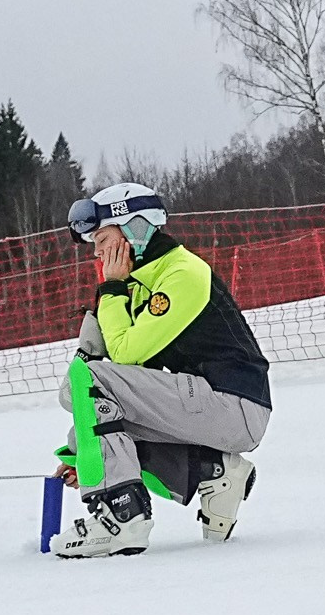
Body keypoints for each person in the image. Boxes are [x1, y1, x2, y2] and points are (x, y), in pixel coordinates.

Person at [50, 182, 269, 558]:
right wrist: (85, 456)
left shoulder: (181, 272)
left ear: (134, 227)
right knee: (84, 427)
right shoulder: (139, 283)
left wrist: (113, 288)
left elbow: (124, 355)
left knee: (87, 385)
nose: (97, 251)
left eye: (102, 238)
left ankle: (122, 517)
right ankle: (213, 471)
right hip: (205, 405)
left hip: (236, 407)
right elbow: (109, 376)